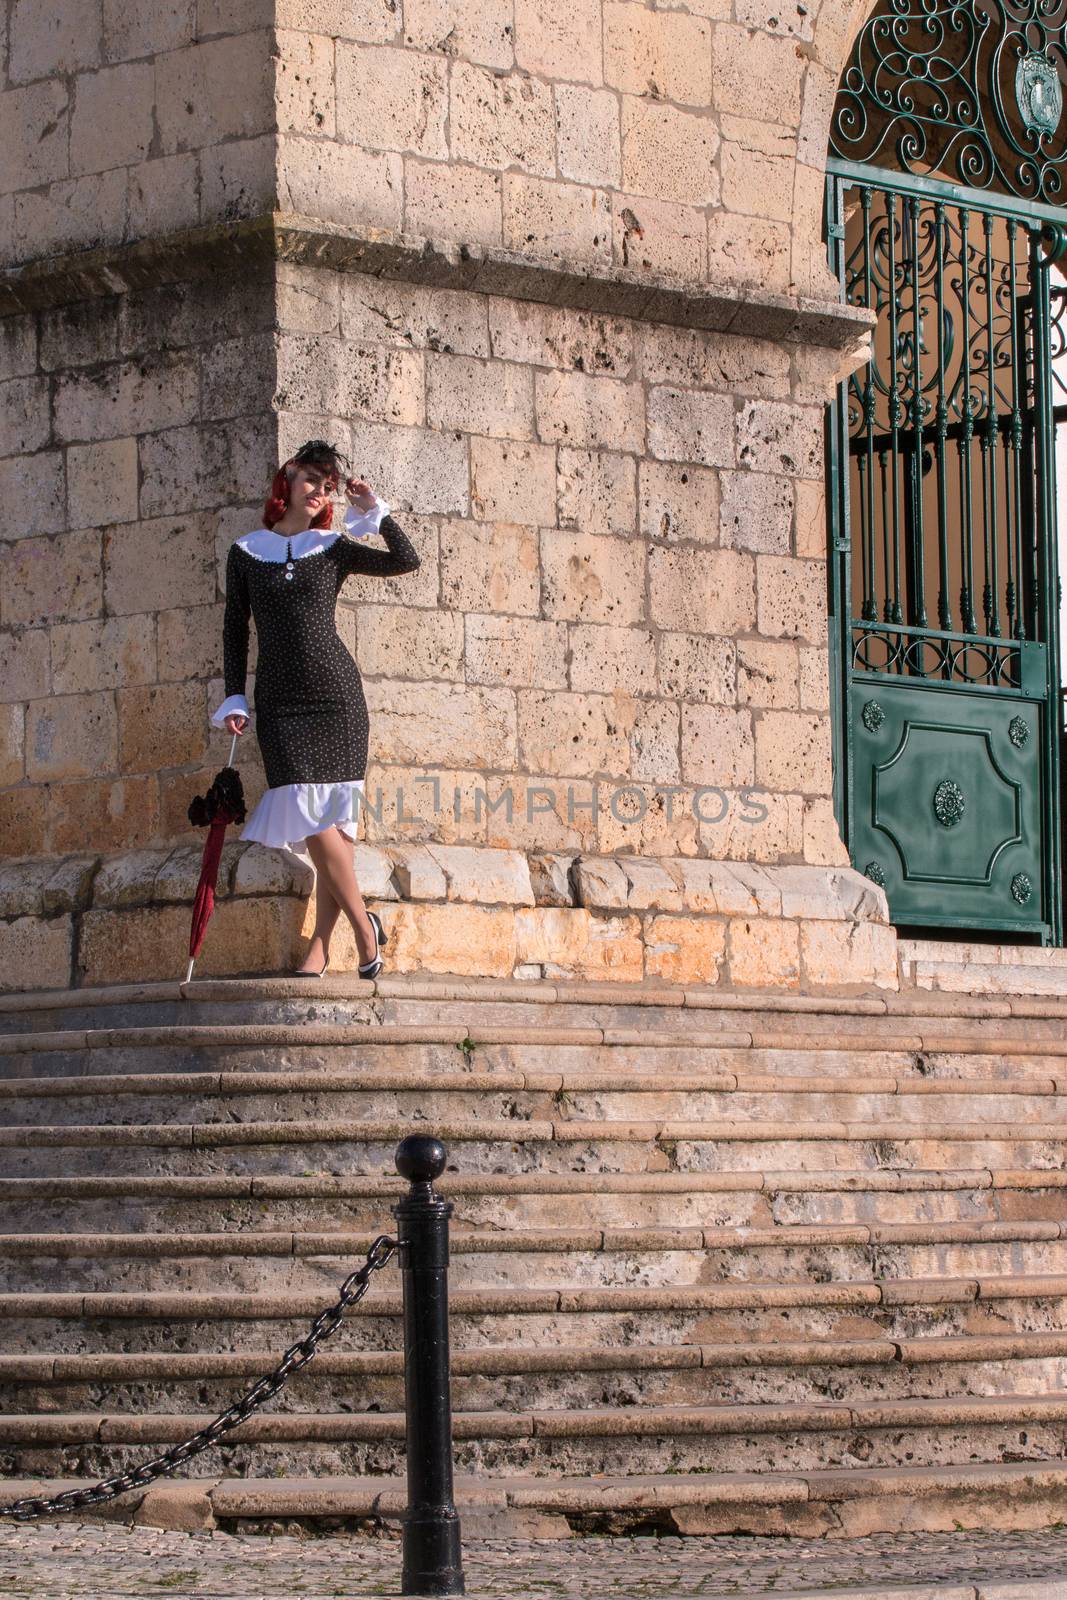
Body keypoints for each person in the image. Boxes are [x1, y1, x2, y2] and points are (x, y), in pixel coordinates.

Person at [211, 439, 421, 978]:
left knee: (337, 828)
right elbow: (236, 628)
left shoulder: (332, 547)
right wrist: (234, 693)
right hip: (280, 705)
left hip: (338, 699)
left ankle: (319, 950)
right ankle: (363, 926)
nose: (318, 491)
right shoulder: (246, 552)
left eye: (326, 486)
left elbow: (406, 560)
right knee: (309, 814)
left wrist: (374, 512)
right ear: (287, 481)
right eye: (310, 479)